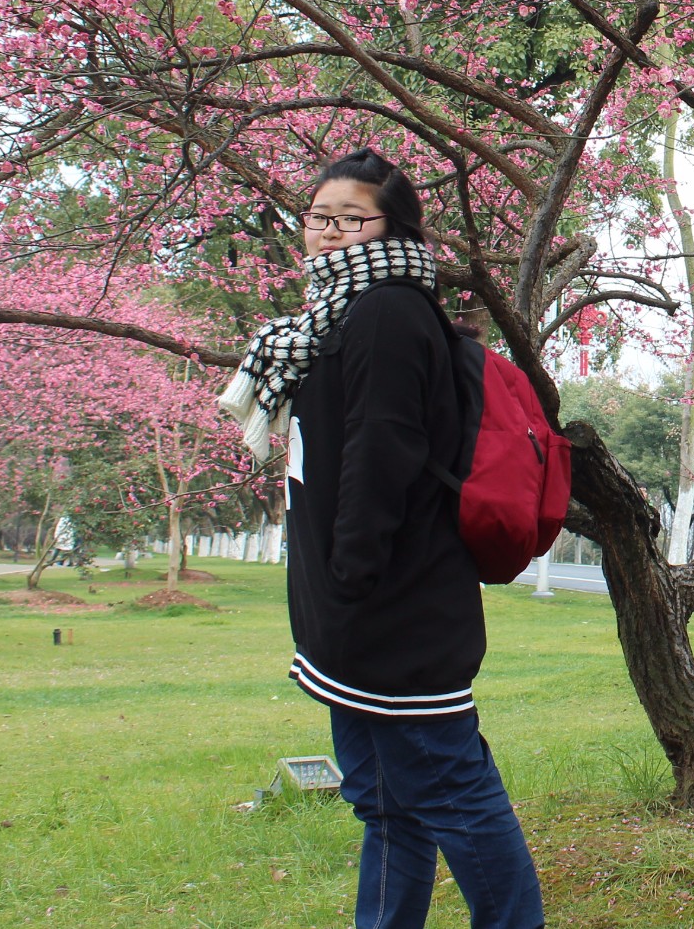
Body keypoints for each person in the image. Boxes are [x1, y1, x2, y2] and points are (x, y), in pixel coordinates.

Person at [219, 149, 544, 929]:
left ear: (392, 227)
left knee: (452, 791)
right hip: (348, 612)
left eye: (351, 218)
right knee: (385, 802)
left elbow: (382, 447)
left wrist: (352, 571)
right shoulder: (329, 317)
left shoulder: (388, 310)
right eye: (319, 218)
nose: (331, 234)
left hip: (395, 606)